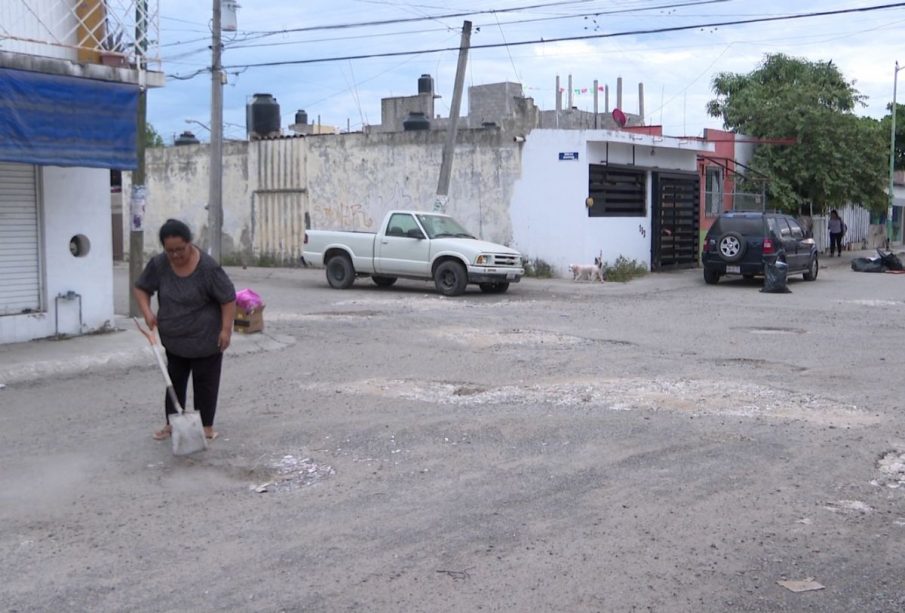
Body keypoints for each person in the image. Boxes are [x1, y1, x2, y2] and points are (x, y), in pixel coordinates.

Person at [134, 219, 236, 442]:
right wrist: (147, 312)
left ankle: (206, 426)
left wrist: (226, 330)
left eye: (180, 249)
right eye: (170, 251)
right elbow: (141, 288)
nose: (176, 255)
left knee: (205, 382)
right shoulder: (159, 264)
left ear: (190, 243)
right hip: (174, 339)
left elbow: (228, 299)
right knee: (174, 381)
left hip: (205, 338)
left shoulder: (208, 268)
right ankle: (172, 424)